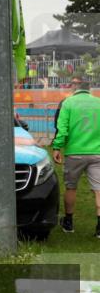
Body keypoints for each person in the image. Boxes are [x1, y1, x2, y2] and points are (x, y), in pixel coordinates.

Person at [52, 77, 100, 237]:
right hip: (97, 152)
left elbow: (62, 128)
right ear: (89, 88)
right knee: (99, 190)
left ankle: (68, 223)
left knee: (71, 187)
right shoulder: (98, 102)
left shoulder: (68, 103)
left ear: (76, 87)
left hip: (74, 153)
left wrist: (57, 147)